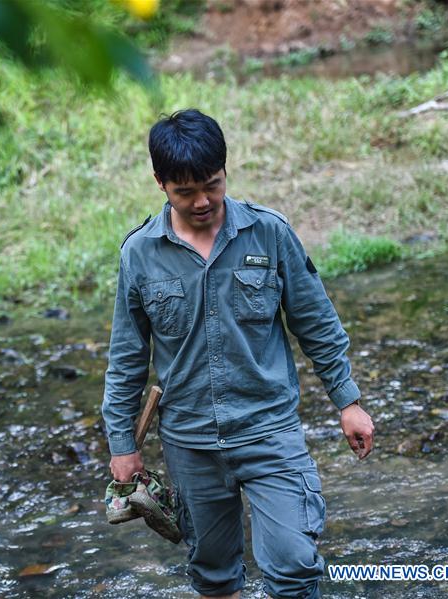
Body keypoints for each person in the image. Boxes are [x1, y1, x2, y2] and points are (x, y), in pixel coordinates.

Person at [101, 109, 375, 599]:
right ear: (160, 183)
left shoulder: (269, 233)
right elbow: (126, 359)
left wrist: (348, 401)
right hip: (190, 443)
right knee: (214, 574)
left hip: (270, 430)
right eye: (185, 192)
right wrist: (123, 445)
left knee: (294, 565)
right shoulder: (139, 254)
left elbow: (315, 322)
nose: (202, 201)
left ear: (225, 171)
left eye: (213, 185)